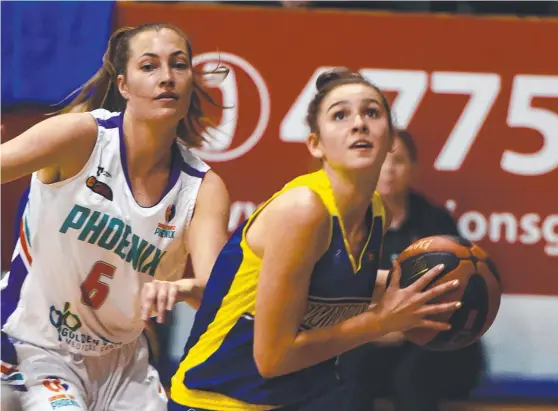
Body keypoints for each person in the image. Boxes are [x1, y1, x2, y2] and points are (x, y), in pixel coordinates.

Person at [168, 68, 462, 411]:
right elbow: (273, 359)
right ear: (316, 144)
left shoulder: (376, 210)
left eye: (371, 112)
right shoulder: (303, 209)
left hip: (298, 398)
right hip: (217, 402)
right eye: (340, 115)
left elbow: (326, 287)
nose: (359, 124)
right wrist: (382, 323)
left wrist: (416, 286)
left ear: (392, 139)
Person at [0, 23, 231, 410]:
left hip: (123, 363)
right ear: (123, 85)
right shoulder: (79, 138)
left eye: (178, 65)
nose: (167, 78)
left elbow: (216, 291)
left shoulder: (204, 188)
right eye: (149, 66)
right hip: (33, 342)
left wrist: (182, 289)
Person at [343, 129, 485, 411]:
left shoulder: (434, 222)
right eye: (379, 161)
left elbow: (458, 295)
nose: (388, 171)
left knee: (412, 380)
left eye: (397, 161)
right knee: (348, 374)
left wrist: (406, 328)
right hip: (370, 337)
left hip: (431, 339)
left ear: (412, 169)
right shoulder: (348, 222)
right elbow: (336, 293)